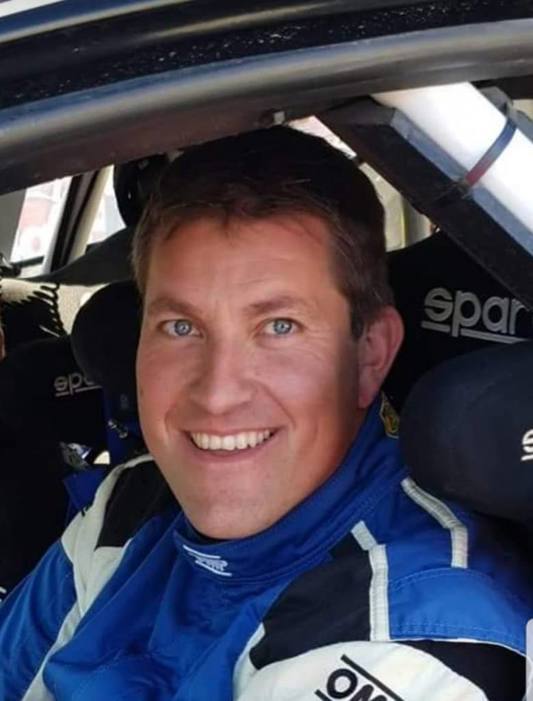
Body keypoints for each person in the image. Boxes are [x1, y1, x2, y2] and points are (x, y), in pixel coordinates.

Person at [0, 126, 530, 701]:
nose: (218, 393)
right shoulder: (130, 504)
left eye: (280, 327)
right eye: (180, 327)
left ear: (369, 355)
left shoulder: (415, 637)